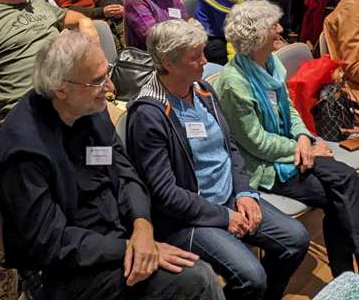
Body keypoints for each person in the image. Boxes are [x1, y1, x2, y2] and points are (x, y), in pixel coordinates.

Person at [0, 29, 221, 300]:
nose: (110, 88)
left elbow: (126, 173)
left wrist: (142, 226)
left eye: (106, 73)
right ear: (61, 88)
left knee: (193, 271)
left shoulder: (88, 110)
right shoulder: (24, 151)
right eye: (98, 80)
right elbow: (52, 243)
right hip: (63, 272)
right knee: (197, 279)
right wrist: (129, 248)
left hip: (115, 240)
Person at [126, 19, 310, 300]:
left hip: (230, 197)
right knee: (251, 276)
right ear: (168, 62)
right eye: (195, 56)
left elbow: (230, 147)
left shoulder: (202, 90)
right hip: (188, 219)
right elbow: (165, 194)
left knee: (296, 239)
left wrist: (245, 193)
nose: (206, 60)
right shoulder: (148, 115)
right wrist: (224, 216)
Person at [213, 1, 359, 276]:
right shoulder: (234, 83)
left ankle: (348, 271)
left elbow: (291, 109)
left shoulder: (270, 62)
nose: (281, 30)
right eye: (274, 26)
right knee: (342, 185)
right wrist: (300, 148)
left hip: (291, 148)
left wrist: (302, 137)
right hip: (262, 166)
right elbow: (256, 143)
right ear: (258, 36)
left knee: (342, 186)